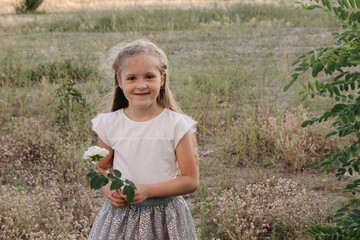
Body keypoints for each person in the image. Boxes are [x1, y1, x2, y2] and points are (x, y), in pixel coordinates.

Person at [88, 39, 199, 240]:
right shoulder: (110, 124)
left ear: (162, 79)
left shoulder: (176, 125)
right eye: (131, 78)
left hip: (165, 216)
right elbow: (100, 168)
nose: (141, 85)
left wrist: (147, 191)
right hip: (123, 217)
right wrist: (109, 193)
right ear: (119, 82)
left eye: (149, 76)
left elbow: (191, 180)